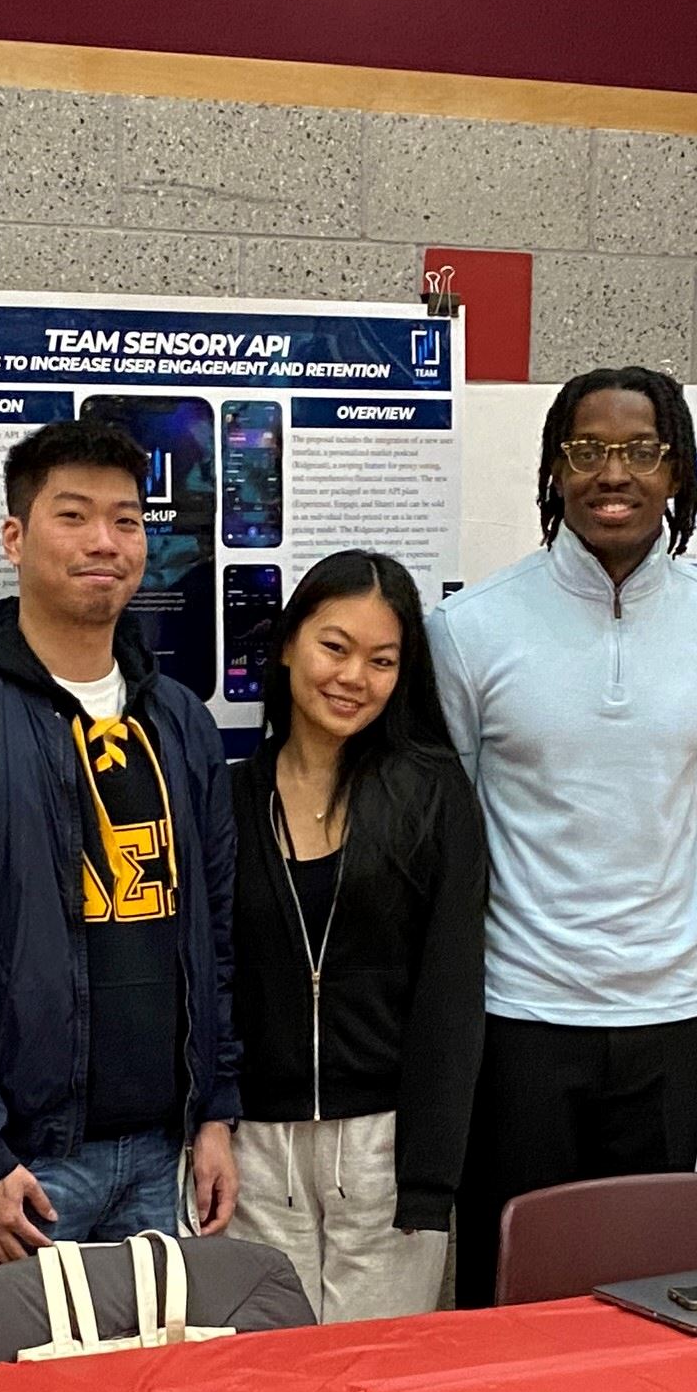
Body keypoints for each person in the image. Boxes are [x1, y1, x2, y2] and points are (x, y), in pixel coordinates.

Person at [431, 366, 697, 1304]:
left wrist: (662, 935)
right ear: (554, 467)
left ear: (677, 471)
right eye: (586, 450)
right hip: (519, 1011)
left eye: (639, 451)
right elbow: (457, 825)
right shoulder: (468, 628)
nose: (611, 473)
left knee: (648, 1293)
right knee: (512, 1288)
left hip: (669, 1014)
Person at [0, 418, 241, 1271]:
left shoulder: (181, 721)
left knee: (163, 1363)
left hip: (165, 1154)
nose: (105, 542)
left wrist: (215, 1113)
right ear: (15, 539)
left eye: (127, 521)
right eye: (73, 516)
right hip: (27, 1167)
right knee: (25, 1365)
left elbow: (219, 934)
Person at [229, 551, 489, 1321]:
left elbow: (451, 991)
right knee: (261, 1372)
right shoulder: (230, 797)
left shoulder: (432, 796)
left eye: (382, 661)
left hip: (386, 1149)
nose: (353, 678)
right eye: (334, 647)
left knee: (372, 1375)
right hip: (253, 1151)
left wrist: (430, 1177)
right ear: (288, 645)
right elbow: (207, 979)